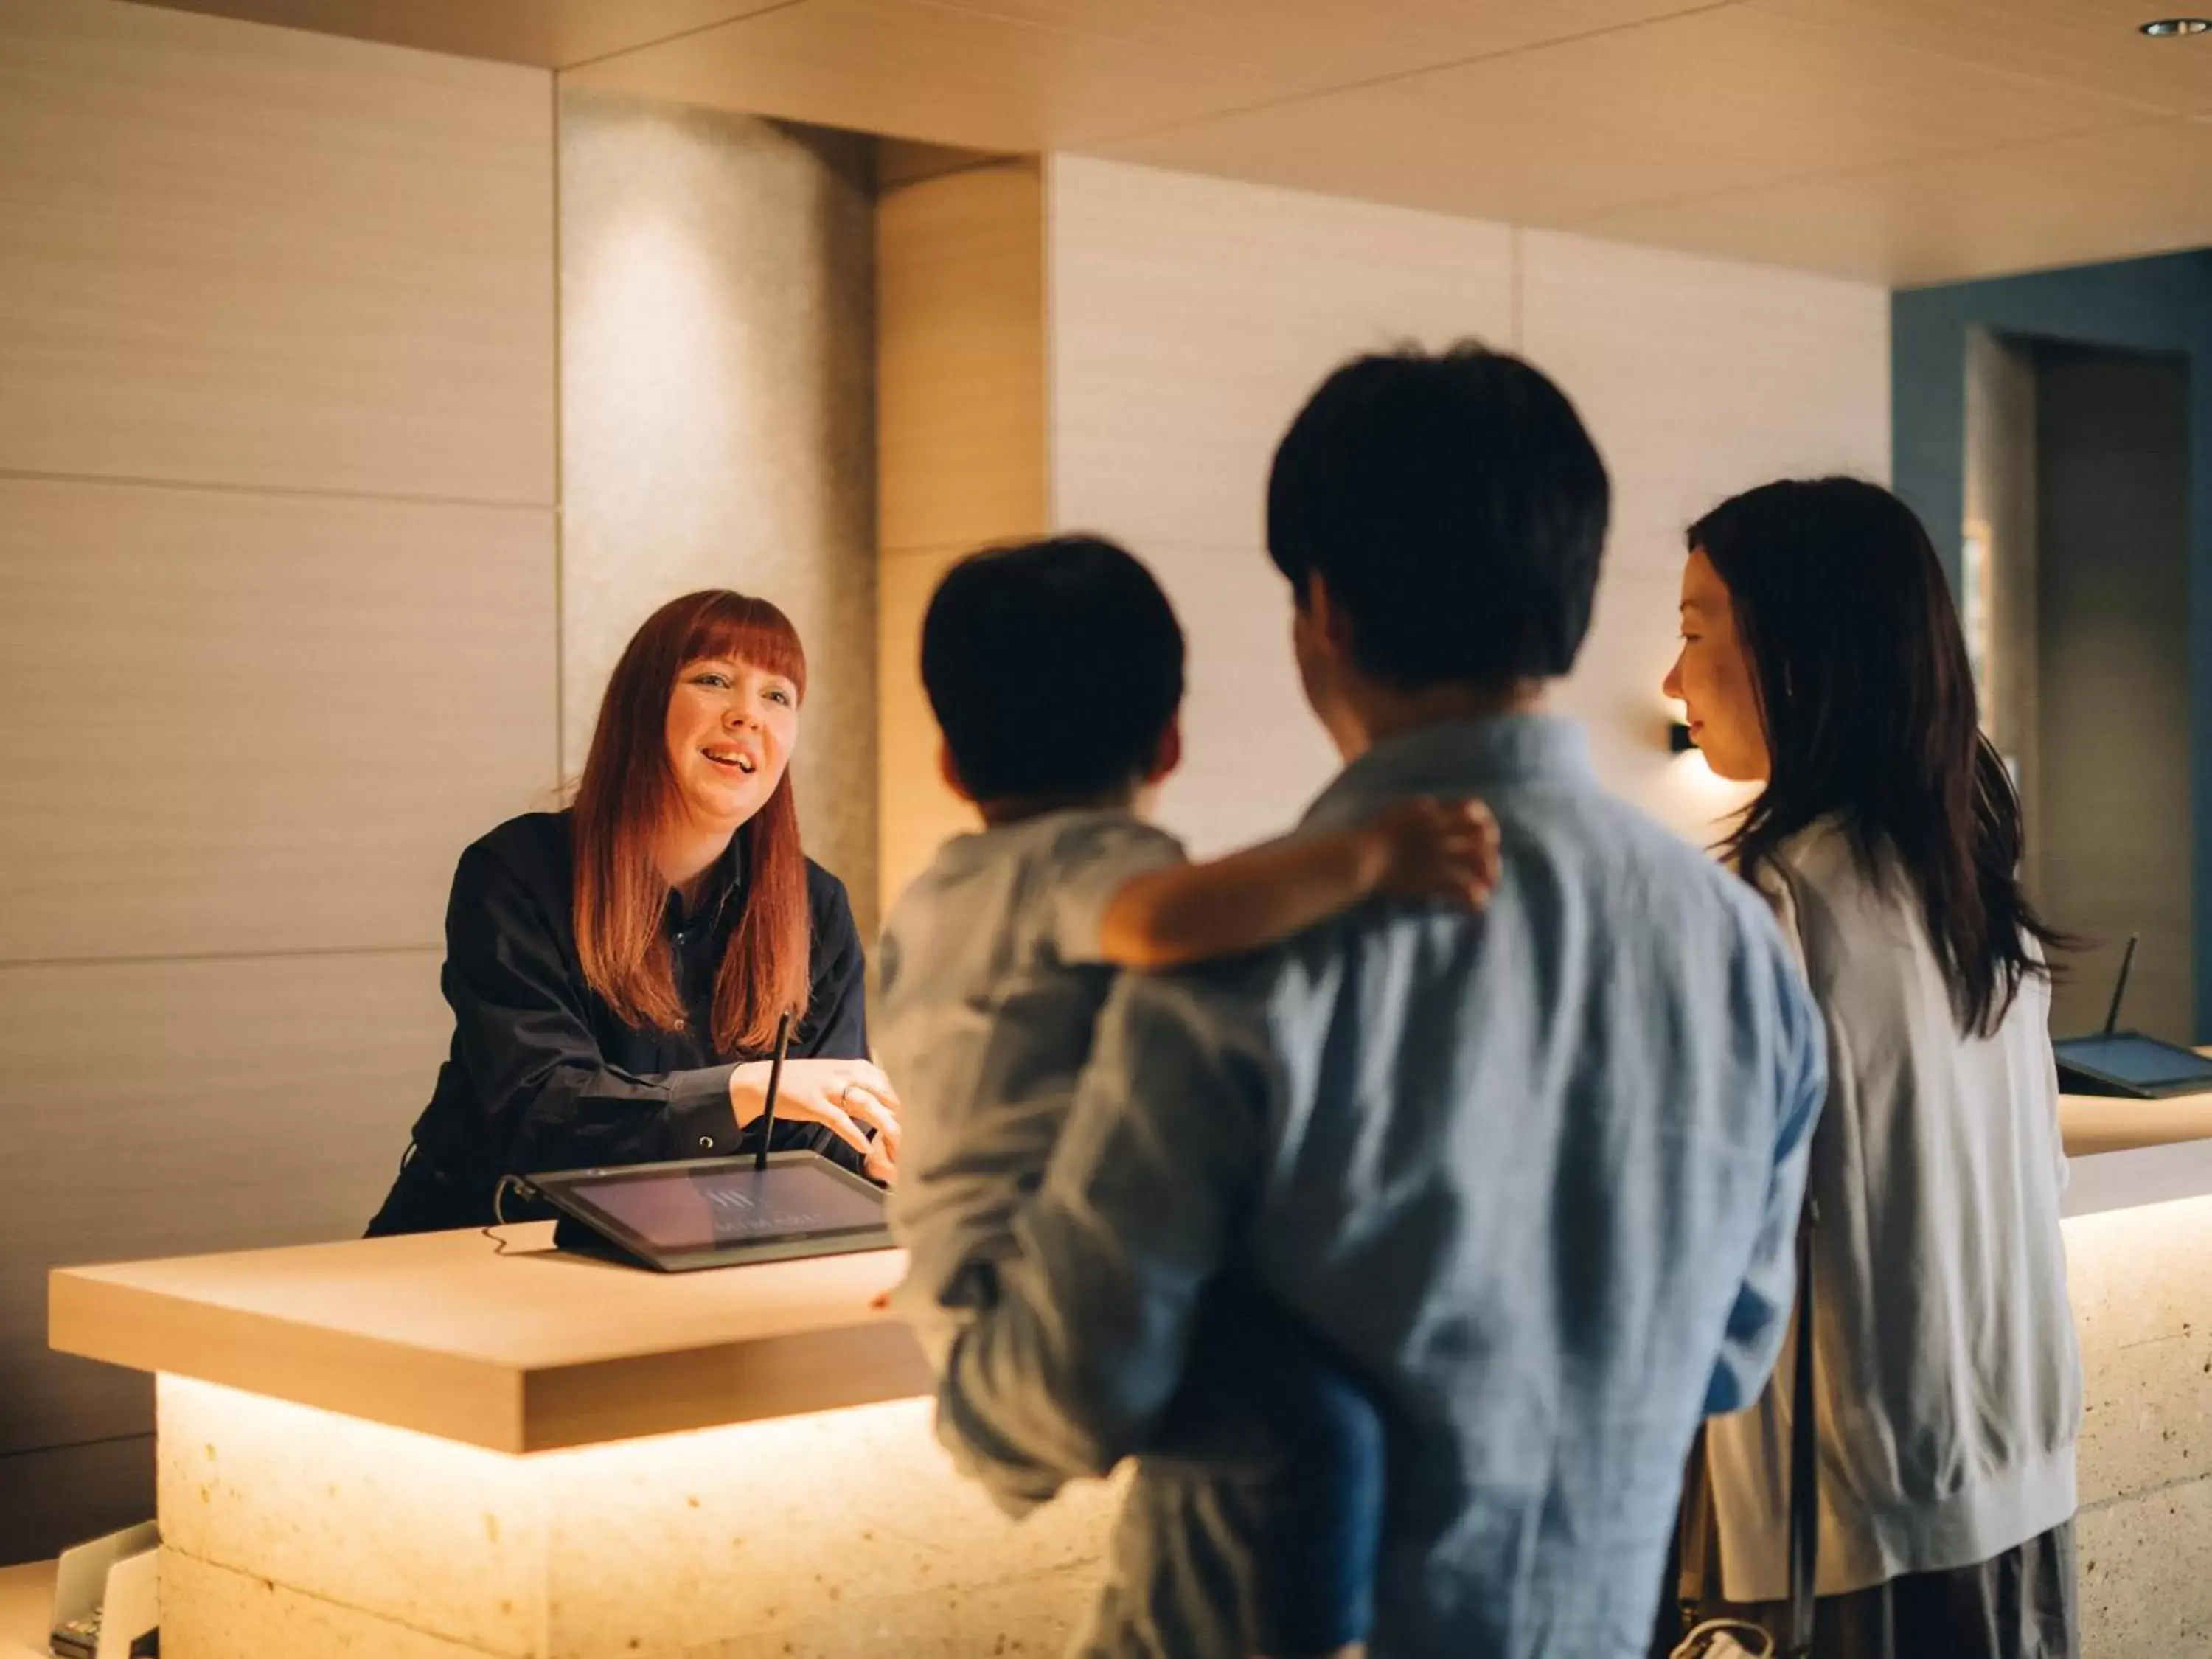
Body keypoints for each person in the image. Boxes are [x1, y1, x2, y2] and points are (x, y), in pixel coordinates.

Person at [922, 344, 1829, 1658]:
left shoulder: (1247, 954)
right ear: (1569, 605)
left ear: (1326, 614)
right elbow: (1728, 1359)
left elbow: (1067, 1393)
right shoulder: (1740, 950)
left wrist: (963, 1317)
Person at [874, 533, 1500, 1659]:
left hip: (974, 1286)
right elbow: (1165, 922)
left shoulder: (936, 897)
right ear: (1168, 740)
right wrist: (1367, 859)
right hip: (1032, 1307)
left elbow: (958, 1104)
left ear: (952, 767)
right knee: (1322, 1432)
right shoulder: (1081, 865)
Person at [1661, 478, 2081, 1659]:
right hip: (2012, 1480)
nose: (1670, 678)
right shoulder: (1971, 886)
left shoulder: (1774, 902)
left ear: (1799, 655)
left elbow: (1700, 1243)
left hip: (1847, 1516)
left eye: (1696, 631)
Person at [367, 589, 900, 1235]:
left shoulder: (818, 906)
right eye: (714, 680)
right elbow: (538, 1107)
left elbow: (822, 1143)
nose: (748, 716)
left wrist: (886, 1157)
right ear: (643, 705)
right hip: (490, 1241)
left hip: (700, 1259)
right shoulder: (516, 870)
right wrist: (739, 1091)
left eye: (778, 696)